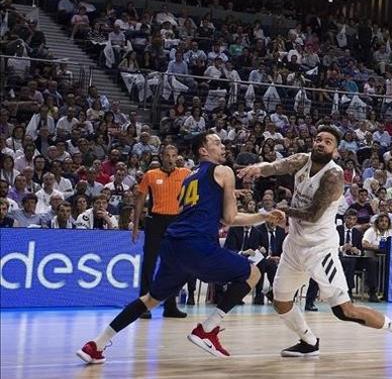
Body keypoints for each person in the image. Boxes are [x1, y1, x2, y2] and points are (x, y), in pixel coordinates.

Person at [77, 131, 279, 364]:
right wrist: (263, 216)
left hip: (173, 244)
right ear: (203, 150)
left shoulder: (188, 177)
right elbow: (230, 218)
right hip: (197, 245)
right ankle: (207, 329)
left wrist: (261, 216)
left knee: (151, 299)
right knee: (253, 272)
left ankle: (96, 344)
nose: (222, 145)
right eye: (216, 142)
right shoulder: (224, 171)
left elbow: (221, 218)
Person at [238, 125, 392, 359]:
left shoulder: (333, 175)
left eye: (328, 142)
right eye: (318, 139)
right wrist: (258, 168)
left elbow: (312, 214)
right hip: (295, 245)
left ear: (335, 150)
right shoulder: (302, 159)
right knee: (280, 301)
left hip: (320, 249)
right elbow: (276, 166)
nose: (321, 143)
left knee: (344, 311)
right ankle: (308, 341)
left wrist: (283, 210)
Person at [130, 145, 190, 318]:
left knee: (174, 265)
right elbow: (140, 201)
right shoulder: (151, 175)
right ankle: (143, 306)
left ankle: (170, 306)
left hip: (176, 222)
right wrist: (135, 226)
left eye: (173, 155)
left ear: (177, 156)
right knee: (149, 264)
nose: (170, 159)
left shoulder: (185, 173)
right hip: (155, 222)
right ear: (161, 157)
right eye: (167, 155)